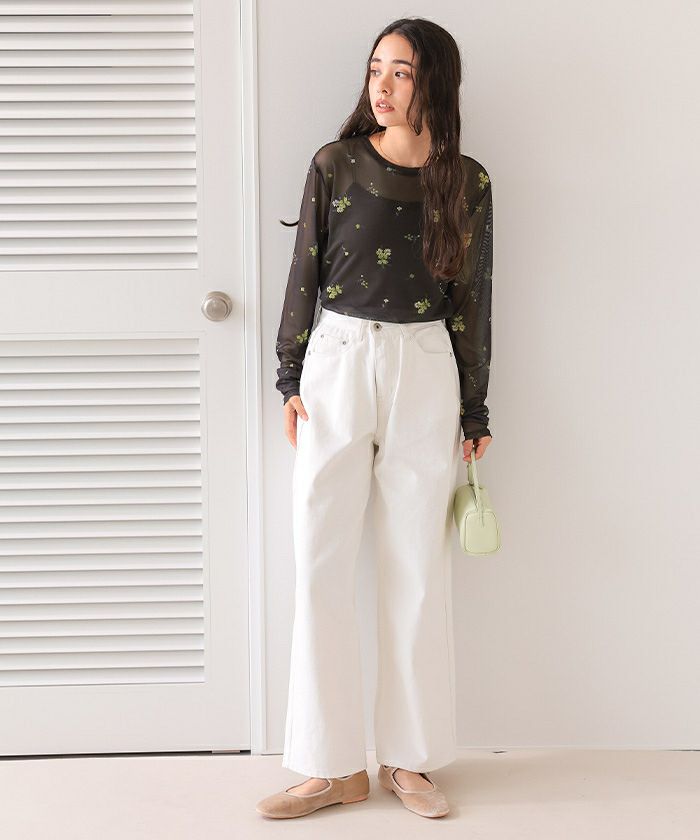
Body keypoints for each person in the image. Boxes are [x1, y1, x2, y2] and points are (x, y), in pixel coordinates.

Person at [257, 16, 493, 820]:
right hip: (338, 359)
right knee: (319, 559)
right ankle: (330, 767)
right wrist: (290, 374)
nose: (383, 87)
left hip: (426, 364)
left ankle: (409, 760)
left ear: (435, 85)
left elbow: (473, 298)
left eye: (402, 73)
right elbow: (305, 268)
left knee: (417, 567)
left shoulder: (467, 181)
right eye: (376, 69)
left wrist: (474, 406)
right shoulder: (336, 163)